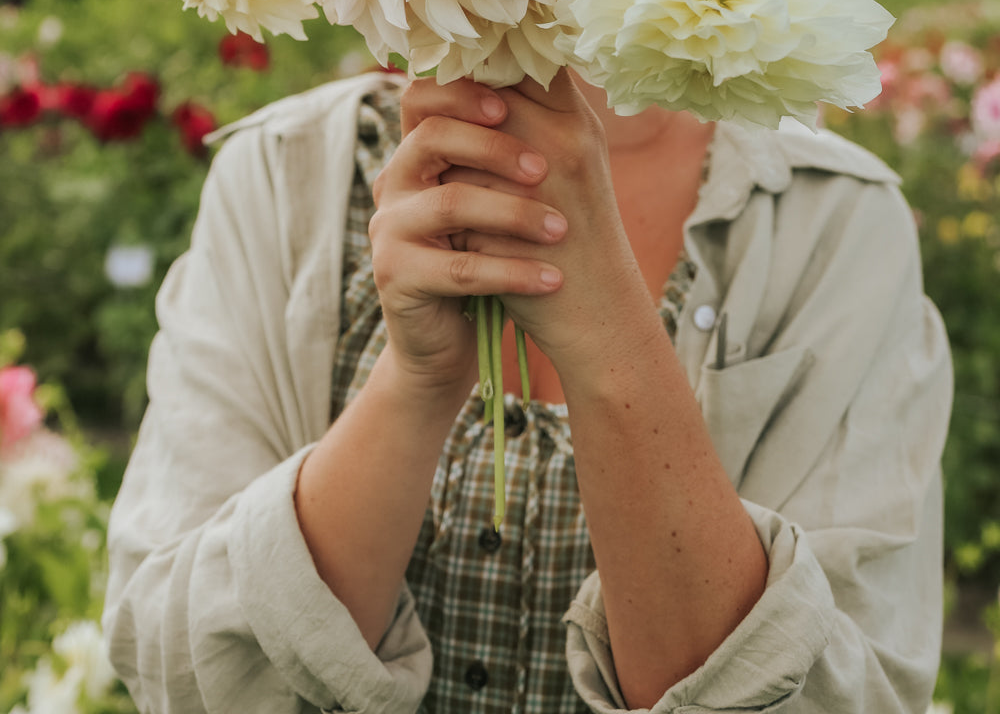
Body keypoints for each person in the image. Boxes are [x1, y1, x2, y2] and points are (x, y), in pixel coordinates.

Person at [103, 65, 952, 713]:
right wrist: (417, 382)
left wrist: (616, 346)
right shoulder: (284, 174)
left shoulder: (829, 219)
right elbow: (173, 668)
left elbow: (853, 687)